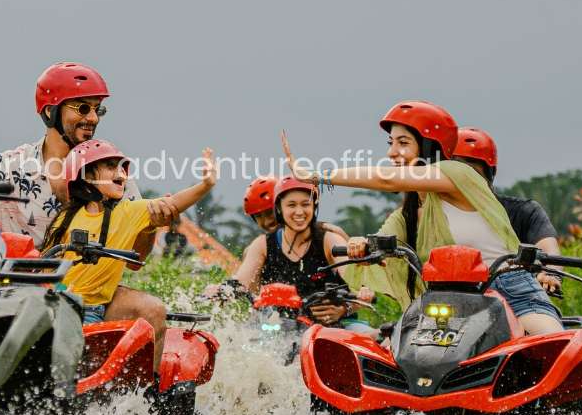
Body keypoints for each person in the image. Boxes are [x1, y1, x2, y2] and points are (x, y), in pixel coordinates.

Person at [280, 101, 564, 336]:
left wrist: (315, 176)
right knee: (393, 355)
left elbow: (386, 179)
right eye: (391, 143)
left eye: (403, 143)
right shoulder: (408, 213)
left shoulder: (458, 175)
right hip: (449, 302)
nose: (392, 152)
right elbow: (379, 240)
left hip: (509, 290)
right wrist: (360, 245)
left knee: (553, 346)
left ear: (430, 147)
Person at [0, 62, 176, 251]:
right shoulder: (7, 165)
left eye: (98, 109)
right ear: (49, 111)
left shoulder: (114, 172)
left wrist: (150, 227)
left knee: (149, 309)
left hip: (84, 292)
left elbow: (135, 260)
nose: (93, 118)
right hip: (11, 291)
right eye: (83, 108)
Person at [43, 140, 218, 333]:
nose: (121, 173)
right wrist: (59, 290)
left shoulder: (129, 212)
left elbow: (172, 204)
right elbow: (46, 270)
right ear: (87, 176)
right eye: (111, 167)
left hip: (91, 310)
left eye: (122, 168)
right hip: (57, 304)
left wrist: (205, 185)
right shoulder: (66, 219)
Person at [209, 178, 368, 325]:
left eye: (269, 213)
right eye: (259, 216)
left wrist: (344, 308)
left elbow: (359, 282)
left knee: (370, 338)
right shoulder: (259, 246)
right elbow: (242, 282)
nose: (267, 221)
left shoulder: (329, 236)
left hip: (334, 323)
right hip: (279, 324)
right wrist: (222, 290)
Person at [453, 127, 564, 296]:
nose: (465, 181)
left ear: (490, 174)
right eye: (455, 174)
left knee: (540, 313)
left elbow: (548, 250)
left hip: (513, 296)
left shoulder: (524, 211)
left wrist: (549, 274)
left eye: (472, 174)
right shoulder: (431, 213)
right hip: (446, 298)